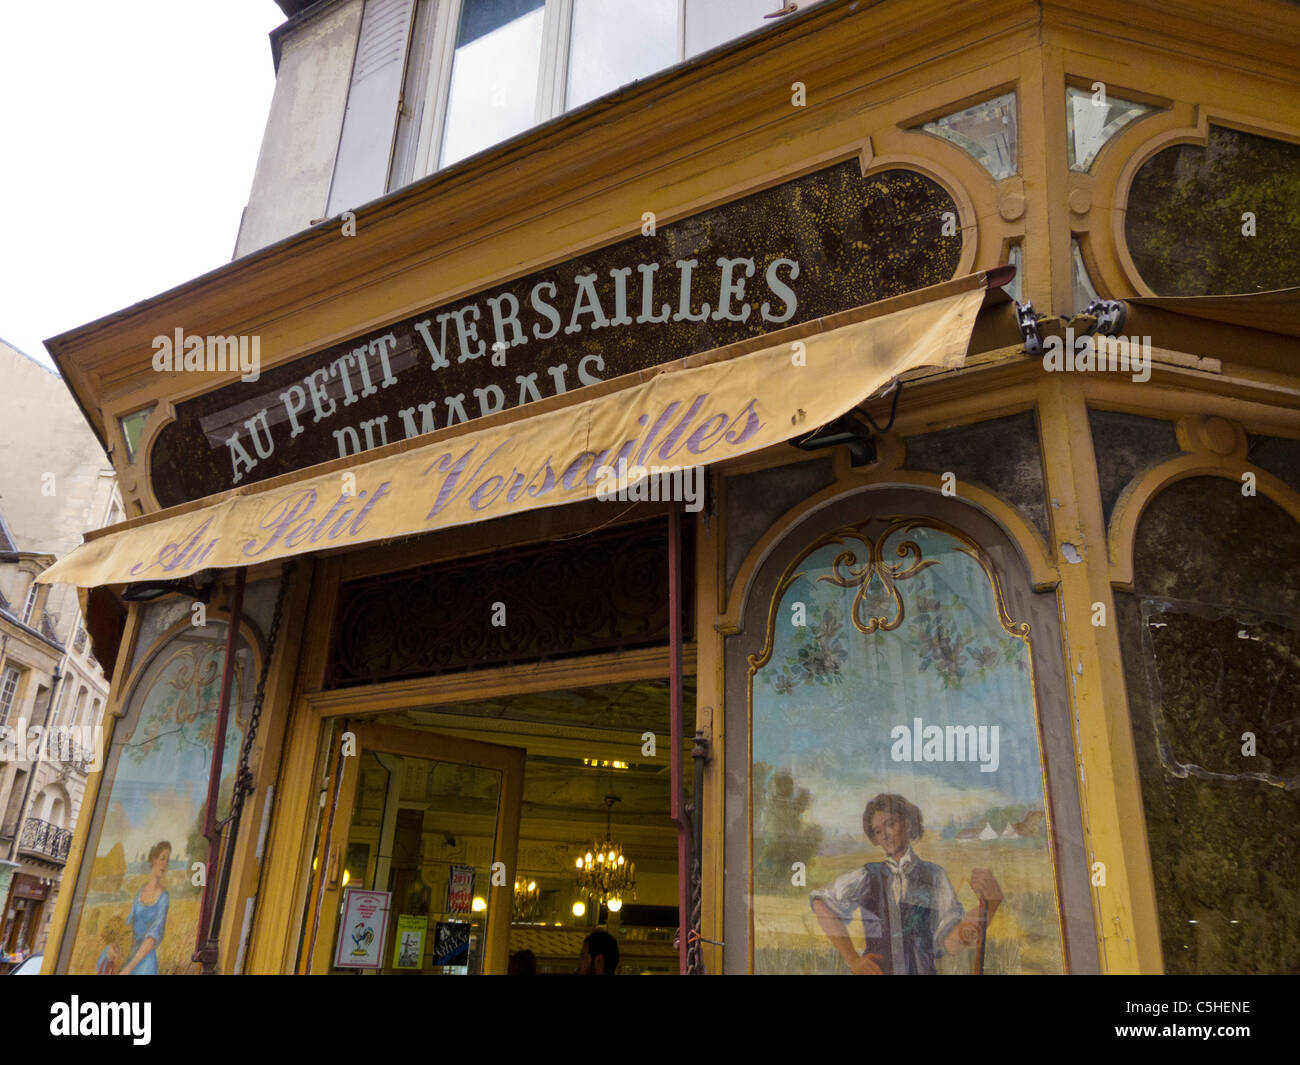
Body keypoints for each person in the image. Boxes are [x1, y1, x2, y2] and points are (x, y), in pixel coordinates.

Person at [810, 794, 1001, 975]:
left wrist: (988, 908)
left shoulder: (934, 875)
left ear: (908, 824)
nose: (884, 835)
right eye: (877, 831)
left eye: (890, 824)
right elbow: (821, 902)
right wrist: (853, 959)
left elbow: (951, 944)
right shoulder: (868, 876)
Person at [98, 840, 171, 975]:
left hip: (145, 955)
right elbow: (129, 923)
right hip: (129, 947)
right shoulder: (140, 891)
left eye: (167, 860)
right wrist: (115, 944)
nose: (165, 864)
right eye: (162, 858)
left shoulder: (164, 897)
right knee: (105, 956)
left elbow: (153, 935)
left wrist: (128, 968)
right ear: (153, 860)